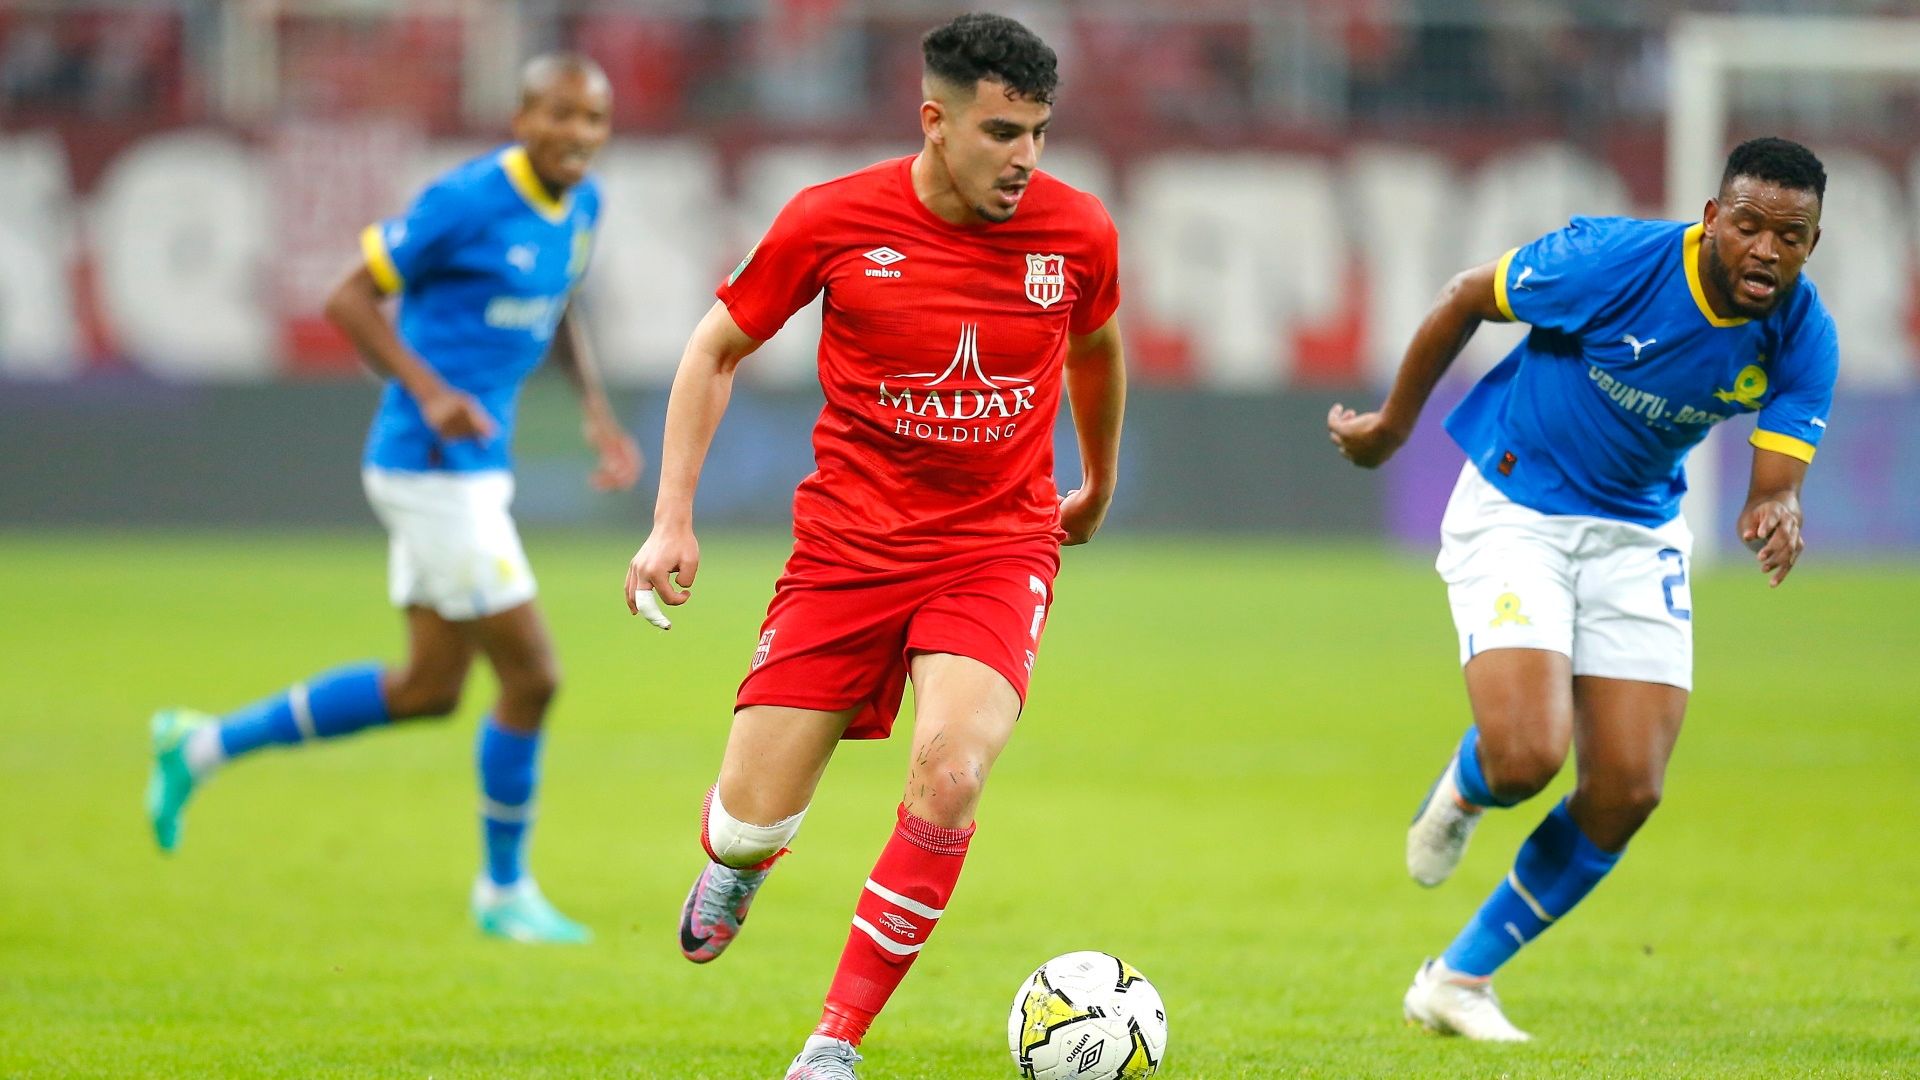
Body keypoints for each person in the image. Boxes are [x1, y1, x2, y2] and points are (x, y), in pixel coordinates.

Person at [622, 14, 1126, 1079]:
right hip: (847, 553)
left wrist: (1098, 481)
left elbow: (1096, 347)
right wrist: (672, 518)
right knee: (747, 826)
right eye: (1001, 132)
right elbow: (715, 350)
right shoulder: (833, 219)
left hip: (996, 549)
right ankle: (739, 864)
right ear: (935, 121)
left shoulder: (1078, 233)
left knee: (952, 773)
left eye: (1039, 132)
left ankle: (833, 1043)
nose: (1025, 157)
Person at [1328, 137, 1837, 1040]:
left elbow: (1772, 482)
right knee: (1526, 758)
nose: (1766, 249)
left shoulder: (1805, 334)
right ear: (1712, 218)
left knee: (1628, 790)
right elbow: (1464, 296)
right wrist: (1393, 428)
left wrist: (1779, 507)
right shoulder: (1608, 260)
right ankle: (1468, 786)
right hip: (1518, 504)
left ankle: (1456, 982)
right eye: (1749, 225)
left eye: (1789, 236)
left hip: (1637, 531)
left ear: (1811, 244)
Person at [145, 53, 638, 945]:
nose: (578, 134)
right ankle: (503, 890)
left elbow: (559, 303)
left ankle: (200, 745)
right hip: (429, 466)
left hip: (472, 470)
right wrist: (431, 391)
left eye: (593, 119)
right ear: (522, 119)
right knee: (533, 676)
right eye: (560, 114)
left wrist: (596, 411)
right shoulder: (467, 201)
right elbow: (347, 298)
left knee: (427, 689)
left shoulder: (584, 206)